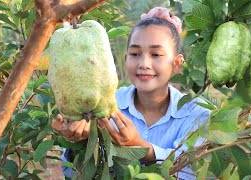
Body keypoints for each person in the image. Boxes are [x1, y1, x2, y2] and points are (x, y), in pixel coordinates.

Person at [52, 7, 210, 179]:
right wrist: (78, 142)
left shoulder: (198, 114)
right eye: (135, 53)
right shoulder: (105, 104)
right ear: (126, 58)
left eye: (156, 54)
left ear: (177, 63)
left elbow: (197, 171)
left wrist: (142, 148)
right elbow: (75, 173)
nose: (144, 63)